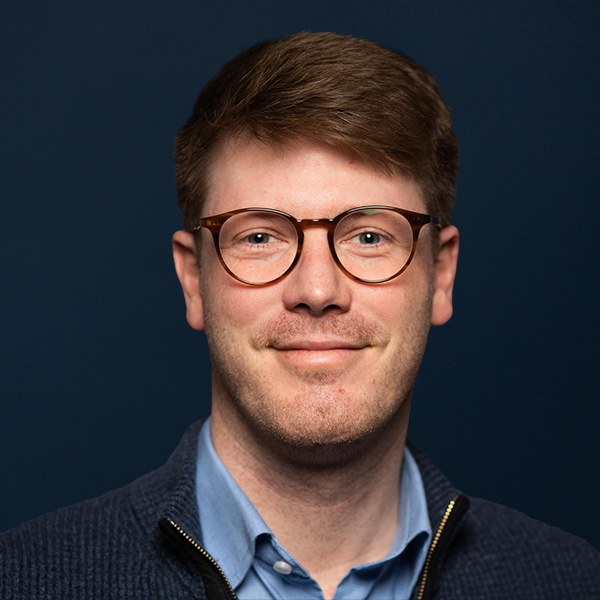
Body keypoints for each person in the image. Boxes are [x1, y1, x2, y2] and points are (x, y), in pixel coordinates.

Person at [1, 31, 598, 600]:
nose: (317, 289)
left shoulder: (572, 582)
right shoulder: (22, 581)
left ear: (441, 275)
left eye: (369, 236)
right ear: (193, 281)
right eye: (260, 237)